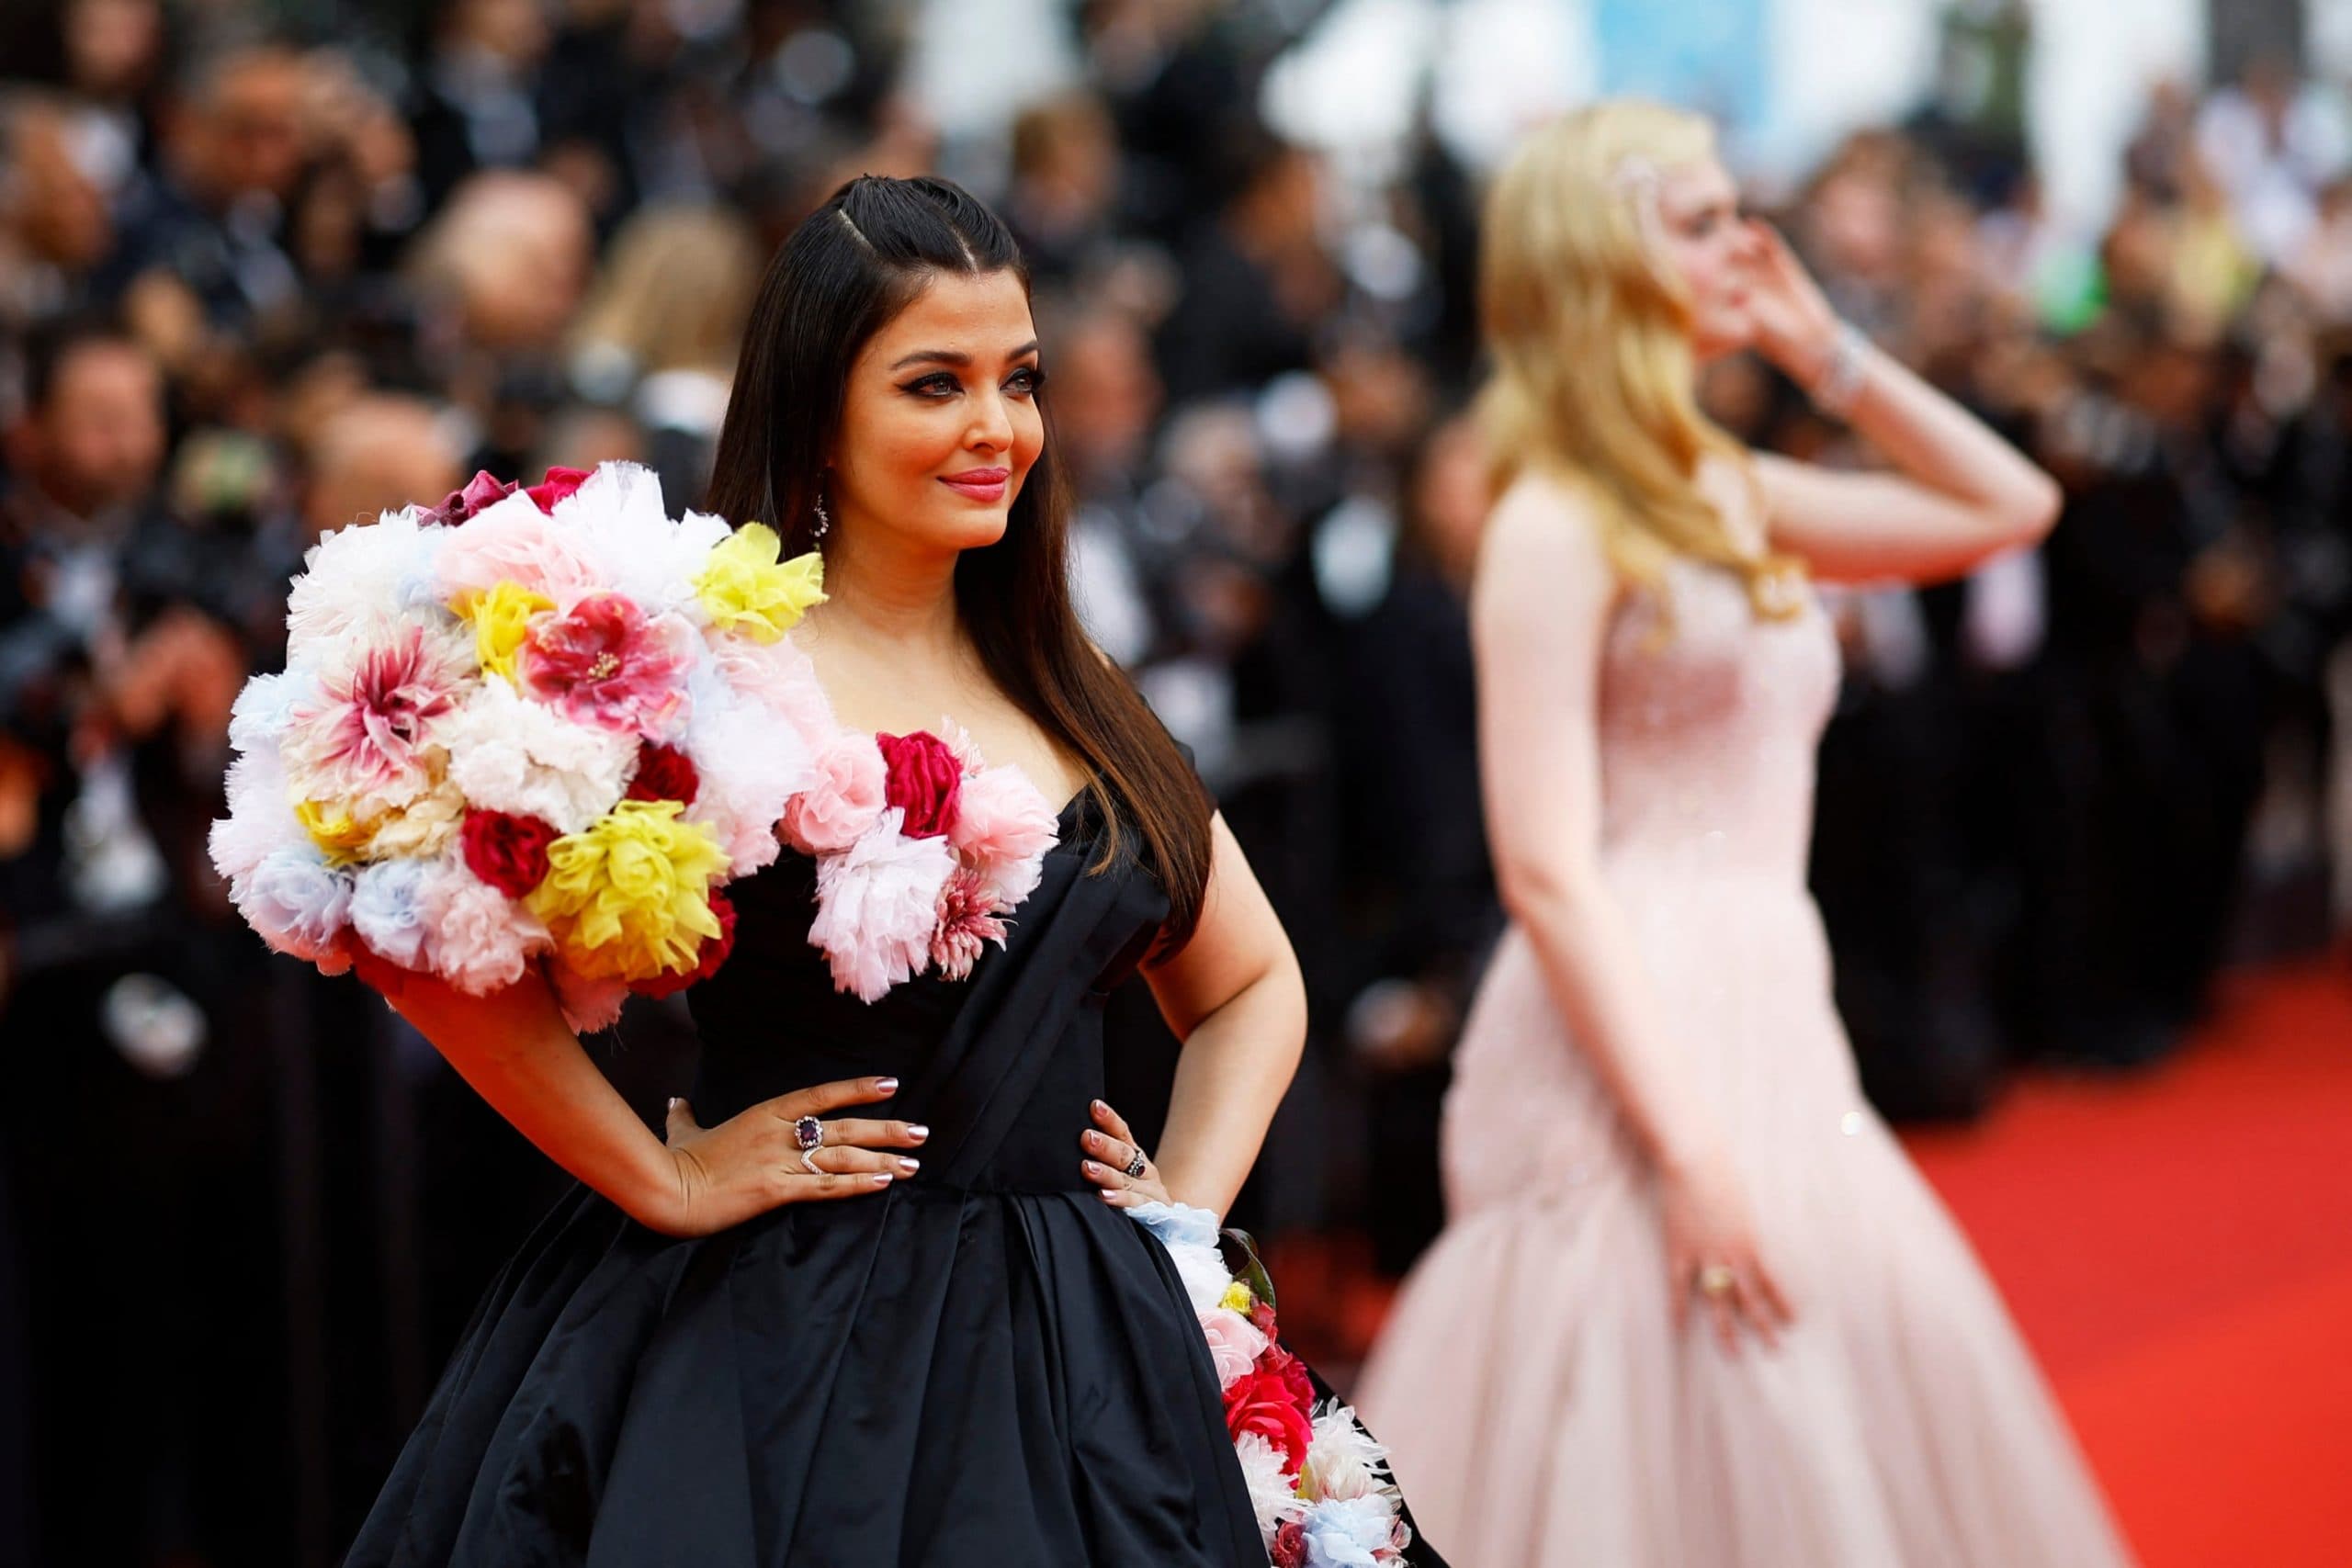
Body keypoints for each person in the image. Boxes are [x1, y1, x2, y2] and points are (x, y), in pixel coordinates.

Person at [342, 174, 1443, 1563]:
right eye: (935, 385)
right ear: (819, 410)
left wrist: (1178, 1226)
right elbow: (410, 929)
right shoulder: (701, 664)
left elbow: (1254, 983)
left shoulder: (1074, 679)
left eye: (1020, 381)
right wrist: (660, 1178)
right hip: (769, 1357)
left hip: (1085, 1360)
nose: (996, 429)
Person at [1352, 102, 2135, 1566]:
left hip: (1774, 997)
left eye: (1740, 212)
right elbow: (1543, 866)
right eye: (1704, 221)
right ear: (1604, 254)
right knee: (1651, 1428)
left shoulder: (1725, 489)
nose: (1748, 243)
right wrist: (1689, 1146)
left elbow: (2012, 502)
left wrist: (1820, 345)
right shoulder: (1553, 520)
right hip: (1630, 1025)